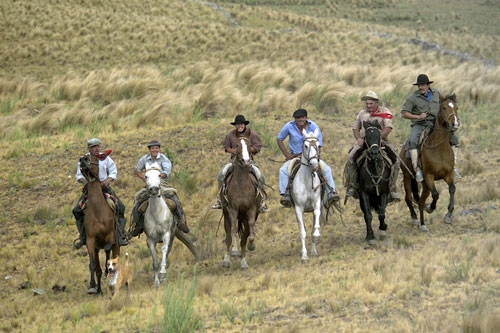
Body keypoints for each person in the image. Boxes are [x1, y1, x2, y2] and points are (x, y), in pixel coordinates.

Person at [401, 74, 461, 182]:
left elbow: (445, 104)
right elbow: (404, 113)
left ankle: (453, 166)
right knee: (413, 141)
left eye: (423, 85)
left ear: (428, 85)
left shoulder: (436, 94)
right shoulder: (413, 98)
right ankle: (417, 169)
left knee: (454, 139)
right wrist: (418, 116)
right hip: (420, 124)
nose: (420, 87)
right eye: (419, 85)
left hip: (435, 122)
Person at [277, 108, 341, 208]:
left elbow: (319, 143)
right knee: (283, 170)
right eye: (297, 118)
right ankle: (286, 195)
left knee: (327, 169)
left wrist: (316, 155)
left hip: (311, 157)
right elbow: (279, 138)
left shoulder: (314, 126)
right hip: (296, 156)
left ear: (306, 118)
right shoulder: (289, 126)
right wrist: (286, 154)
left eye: (302, 117)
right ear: (294, 119)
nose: (300, 119)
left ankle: (331, 193)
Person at [72, 138, 128, 249]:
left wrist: (107, 181)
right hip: (90, 189)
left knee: (120, 207)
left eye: (98, 146)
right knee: (77, 210)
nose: (97, 148)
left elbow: (113, 171)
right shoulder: (84, 159)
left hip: (104, 188)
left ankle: (120, 235)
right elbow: (79, 176)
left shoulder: (106, 158)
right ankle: (83, 236)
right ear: (89, 148)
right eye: (93, 147)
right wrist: (86, 182)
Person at [128, 140, 190, 238]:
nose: (155, 150)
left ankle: (181, 221)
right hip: (149, 185)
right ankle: (136, 226)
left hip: (161, 183)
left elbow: (167, 171)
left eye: (157, 148)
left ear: (159, 149)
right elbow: (138, 170)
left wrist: (157, 178)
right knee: (137, 201)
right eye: (152, 148)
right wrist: (146, 179)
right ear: (149, 149)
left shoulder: (163, 159)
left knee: (175, 199)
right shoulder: (144, 159)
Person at [345, 91, 400, 200]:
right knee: (351, 157)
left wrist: (379, 138)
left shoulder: (384, 112)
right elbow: (355, 128)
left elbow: (388, 127)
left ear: (376, 103)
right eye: (367, 103)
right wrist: (359, 139)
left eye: (371, 103)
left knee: (397, 161)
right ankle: (353, 185)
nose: (369, 106)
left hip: (382, 141)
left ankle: (392, 187)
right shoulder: (361, 113)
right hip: (365, 142)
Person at [212, 115, 268, 212]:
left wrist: (245, 149)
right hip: (234, 161)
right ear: (235, 125)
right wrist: (234, 151)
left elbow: (257, 147)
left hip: (249, 160)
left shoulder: (252, 134)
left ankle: (262, 200)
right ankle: (220, 199)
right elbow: (226, 147)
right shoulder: (230, 135)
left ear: (244, 124)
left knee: (260, 176)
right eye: (237, 124)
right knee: (221, 174)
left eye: (241, 124)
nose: (239, 126)